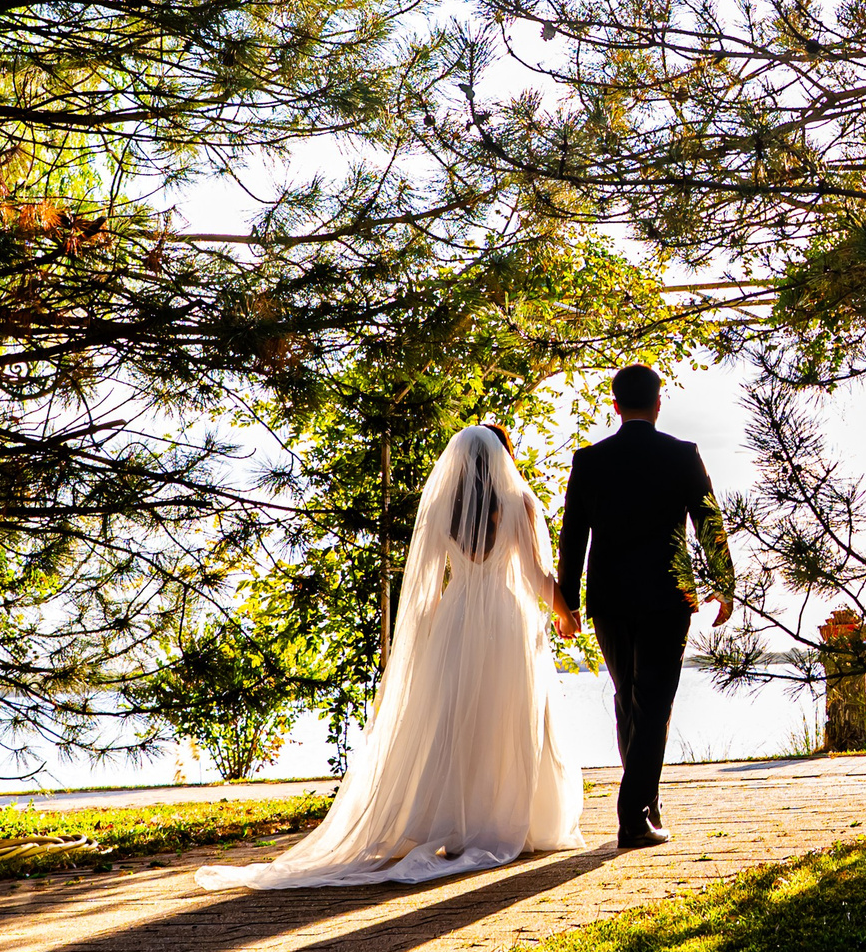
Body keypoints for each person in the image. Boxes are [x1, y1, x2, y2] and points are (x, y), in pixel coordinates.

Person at [196, 424, 584, 890]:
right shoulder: (518, 503)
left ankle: (459, 825)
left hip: (455, 619)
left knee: (458, 722)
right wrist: (565, 611)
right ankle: (509, 822)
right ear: (503, 458)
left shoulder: (444, 507)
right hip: (504, 617)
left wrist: (420, 643)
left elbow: (424, 583)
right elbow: (537, 573)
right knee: (507, 716)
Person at [554, 365, 735, 848]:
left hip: (608, 598)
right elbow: (708, 522)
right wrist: (724, 583)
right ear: (658, 404)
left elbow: (573, 536)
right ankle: (633, 816)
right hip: (666, 594)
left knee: (629, 698)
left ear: (615, 406)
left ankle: (646, 803)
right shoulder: (681, 455)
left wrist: (567, 601)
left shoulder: (589, 460)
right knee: (652, 701)